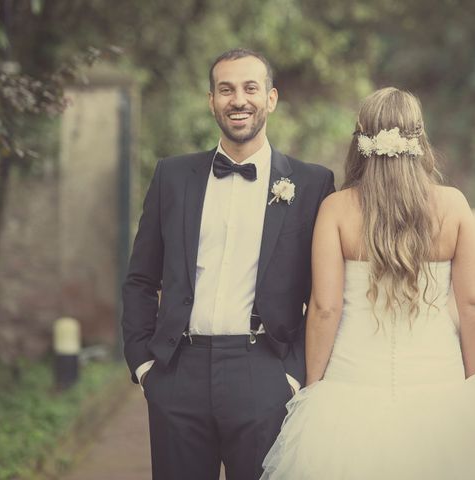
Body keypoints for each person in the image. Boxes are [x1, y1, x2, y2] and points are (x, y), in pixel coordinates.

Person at [261, 87, 475, 479]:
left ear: (361, 139)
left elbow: (325, 307)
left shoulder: (337, 208)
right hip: (438, 381)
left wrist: (312, 386)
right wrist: (473, 383)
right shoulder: (453, 205)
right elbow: (474, 304)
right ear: (420, 138)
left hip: (350, 384)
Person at [121, 48, 335, 480]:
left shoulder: (312, 184)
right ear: (212, 100)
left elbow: (325, 293)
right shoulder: (172, 176)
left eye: (250, 88)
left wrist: (294, 376)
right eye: (226, 90)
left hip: (266, 374)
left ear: (271, 98)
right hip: (178, 373)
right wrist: (145, 367)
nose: (239, 100)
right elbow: (141, 278)